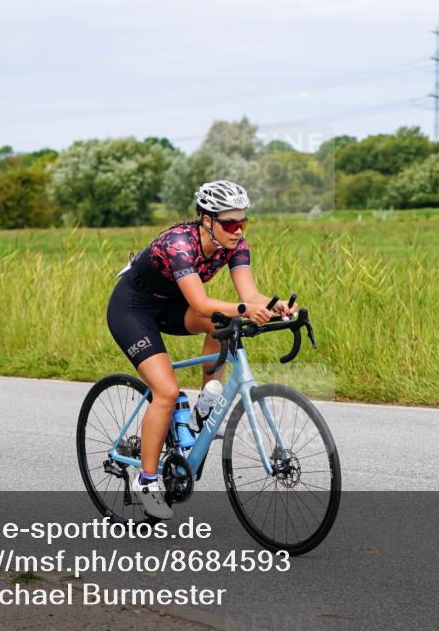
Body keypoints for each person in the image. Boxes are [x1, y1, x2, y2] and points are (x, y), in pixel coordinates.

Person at [106, 180, 296, 519]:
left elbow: (249, 295)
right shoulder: (179, 244)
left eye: (243, 222)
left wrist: (275, 304)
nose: (238, 230)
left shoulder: (235, 244)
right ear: (207, 220)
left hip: (171, 306)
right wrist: (244, 310)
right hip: (132, 310)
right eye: (230, 223)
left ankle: (204, 407)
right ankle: (147, 481)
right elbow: (201, 302)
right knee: (165, 391)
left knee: (220, 326)